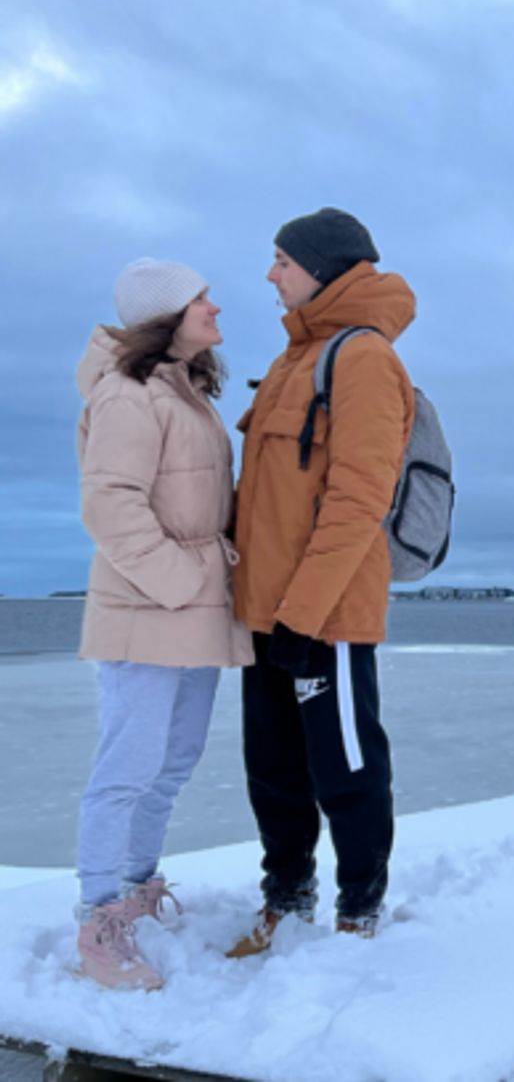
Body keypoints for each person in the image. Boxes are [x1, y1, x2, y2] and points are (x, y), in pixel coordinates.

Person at [228, 209, 416, 952]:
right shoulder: (290, 359)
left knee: (345, 769)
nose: (271, 275)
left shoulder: (362, 357)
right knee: (272, 769)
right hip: (267, 612)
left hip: (325, 616)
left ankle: (358, 912)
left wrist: (304, 616)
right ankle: (286, 896)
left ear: (324, 268)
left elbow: (358, 500)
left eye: (281, 261)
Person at [73, 259, 251, 993]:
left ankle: (139, 889)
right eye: (199, 299)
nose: (215, 307)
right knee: (126, 771)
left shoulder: (190, 394)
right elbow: (111, 507)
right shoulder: (128, 396)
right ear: (164, 316)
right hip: (148, 613)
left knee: (171, 767)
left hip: (194, 612)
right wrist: (182, 583)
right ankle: (97, 920)